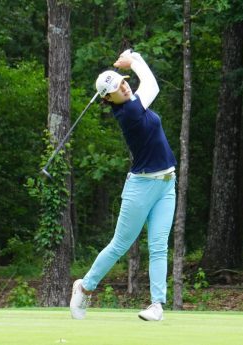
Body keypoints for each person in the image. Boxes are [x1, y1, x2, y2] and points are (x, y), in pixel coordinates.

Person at [70, 49, 177, 321]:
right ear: (108, 99)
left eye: (124, 81)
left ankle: (156, 305)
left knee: (158, 246)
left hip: (166, 184)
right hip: (141, 186)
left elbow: (145, 86)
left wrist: (133, 62)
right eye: (118, 87)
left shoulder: (133, 102)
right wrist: (136, 59)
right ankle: (84, 287)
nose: (125, 86)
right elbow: (152, 85)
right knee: (120, 244)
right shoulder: (128, 111)